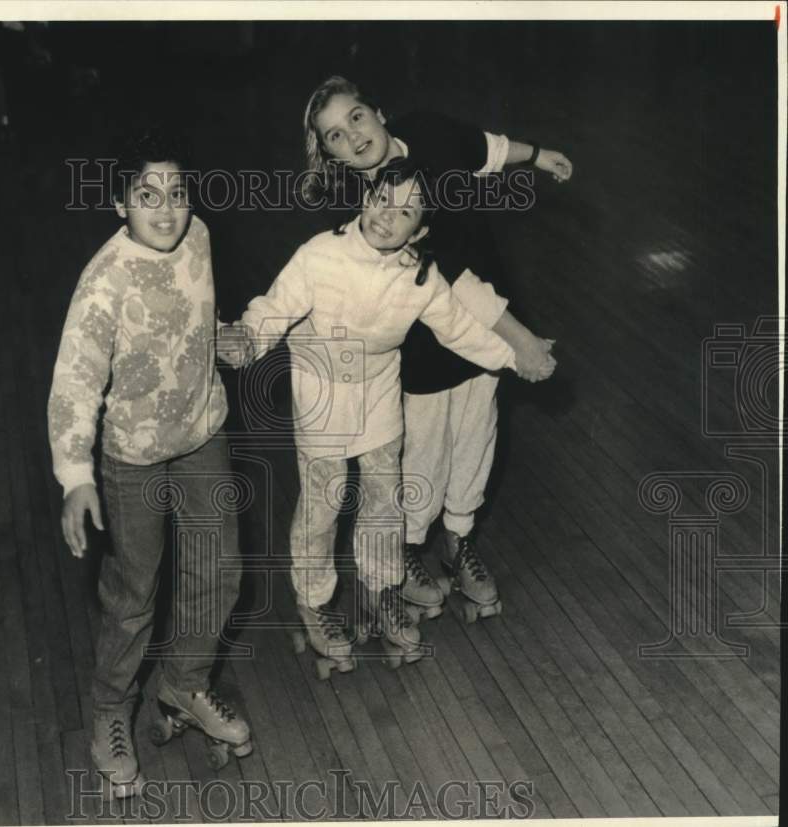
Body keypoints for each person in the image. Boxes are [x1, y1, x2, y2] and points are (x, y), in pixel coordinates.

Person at [223, 159, 554, 671]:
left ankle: (379, 592)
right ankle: (313, 602)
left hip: (378, 398)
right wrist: (246, 338)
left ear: (419, 230)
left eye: (404, 212)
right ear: (366, 196)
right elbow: (275, 307)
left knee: (383, 503)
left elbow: (459, 331)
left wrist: (516, 356)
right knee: (323, 504)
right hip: (322, 401)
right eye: (382, 199)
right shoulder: (320, 255)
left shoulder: (419, 277)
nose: (385, 216)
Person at [302, 75, 570, 620]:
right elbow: (450, 279)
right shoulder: (367, 210)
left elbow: (483, 148)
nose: (352, 137)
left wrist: (538, 155)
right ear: (330, 156)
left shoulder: (425, 130)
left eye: (355, 118)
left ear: (378, 111)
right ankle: (404, 547)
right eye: (333, 136)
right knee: (423, 448)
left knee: (476, 432)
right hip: (424, 342)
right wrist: (518, 341)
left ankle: (460, 537)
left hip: (488, 314)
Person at [47, 127, 252, 796]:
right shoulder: (103, 280)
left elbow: (195, 309)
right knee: (135, 589)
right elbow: (75, 381)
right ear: (118, 202)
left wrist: (222, 337)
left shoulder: (199, 236)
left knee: (219, 567)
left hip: (201, 432)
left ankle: (184, 683)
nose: (166, 209)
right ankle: (110, 709)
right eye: (146, 194)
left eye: (177, 191)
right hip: (131, 454)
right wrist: (76, 477)